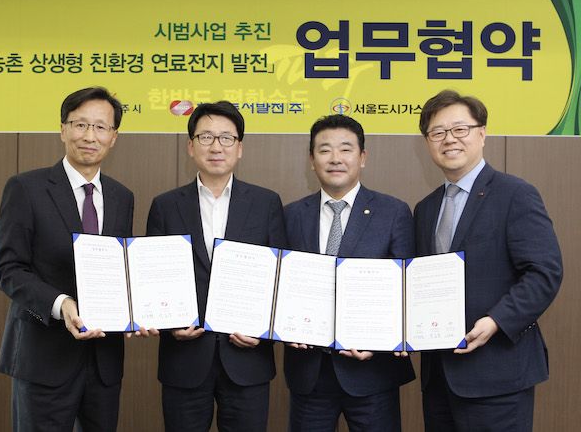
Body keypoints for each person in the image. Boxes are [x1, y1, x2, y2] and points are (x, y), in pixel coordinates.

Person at [414, 89, 563, 431]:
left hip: (498, 374)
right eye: (438, 132)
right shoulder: (425, 209)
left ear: (482, 133)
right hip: (439, 378)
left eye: (460, 129)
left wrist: (496, 320)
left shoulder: (515, 194)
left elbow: (544, 272)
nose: (449, 139)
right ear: (427, 143)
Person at [0, 87, 136, 432]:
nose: (90, 136)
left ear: (114, 137)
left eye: (100, 127)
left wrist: (140, 309)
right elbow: (8, 269)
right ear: (63, 129)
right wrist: (61, 304)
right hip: (44, 356)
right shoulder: (26, 188)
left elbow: (121, 269)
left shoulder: (122, 197)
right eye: (80, 124)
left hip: (103, 362)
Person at [146, 101, 287, 431]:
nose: (216, 147)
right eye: (206, 137)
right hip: (184, 360)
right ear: (190, 146)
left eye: (226, 138)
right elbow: (152, 279)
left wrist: (263, 330)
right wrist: (168, 324)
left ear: (239, 148)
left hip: (247, 360)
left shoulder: (266, 203)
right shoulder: (165, 205)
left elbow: (280, 278)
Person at [283, 114, 415, 431]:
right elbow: (280, 284)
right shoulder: (291, 215)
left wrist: (382, 339)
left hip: (372, 372)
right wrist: (285, 326)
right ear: (311, 160)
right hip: (309, 373)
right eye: (324, 150)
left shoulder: (393, 212)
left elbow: (406, 289)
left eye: (345, 149)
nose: (335, 158)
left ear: (362, 157)